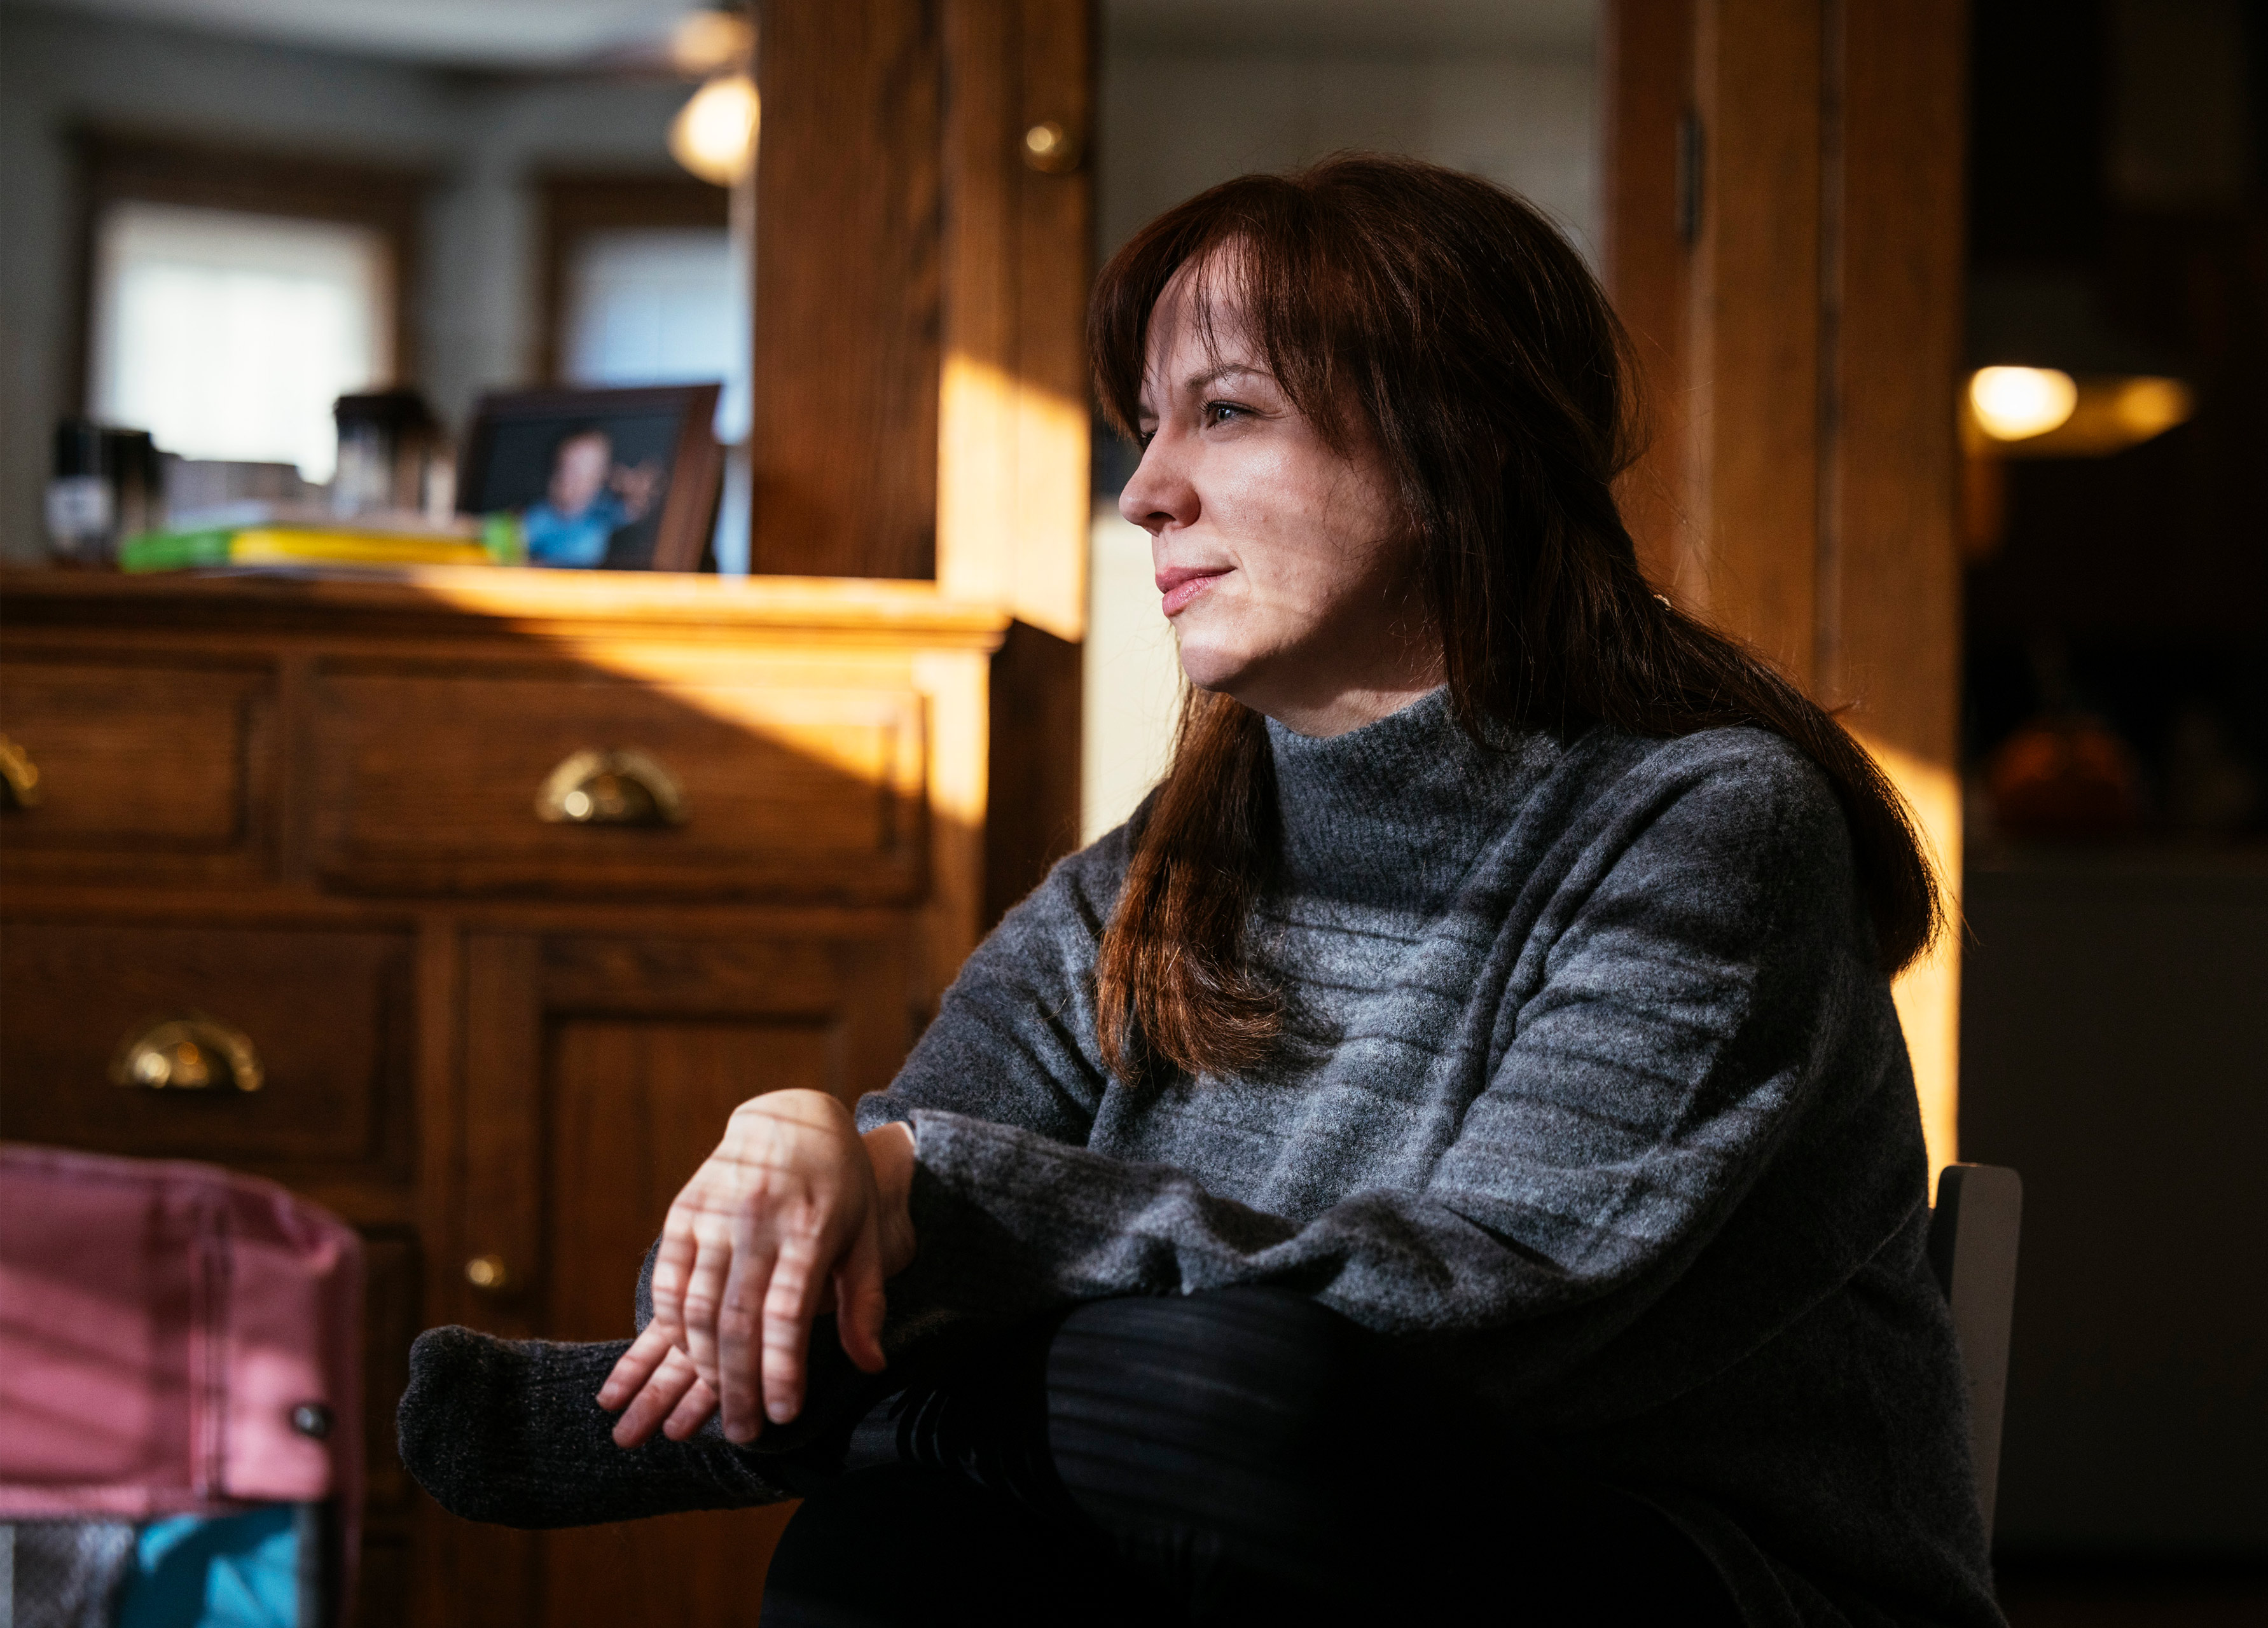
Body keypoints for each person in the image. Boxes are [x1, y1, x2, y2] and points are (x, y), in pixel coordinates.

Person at [401, 155, 2005, 1627]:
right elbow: (864, 1260)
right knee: (892, 1536)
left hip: (1688, 1571)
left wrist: (927, 1199)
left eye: (1225, 412)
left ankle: (897, 1430)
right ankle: (913, 1435)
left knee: (1211, 1397)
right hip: (1258, 1550)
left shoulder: (1707, 824)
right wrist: (803, 1151)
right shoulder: (1155, 873)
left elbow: (1483, 1311)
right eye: (1144, 427)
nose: (1145, 492)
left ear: (1458, 449)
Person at [521, 426, 660, 567]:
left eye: (582, 476)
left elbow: (634, 508)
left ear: (600, 480)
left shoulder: (600, 513)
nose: (569, 481)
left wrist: (631, 487)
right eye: (564, 470)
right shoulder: (541, 516)